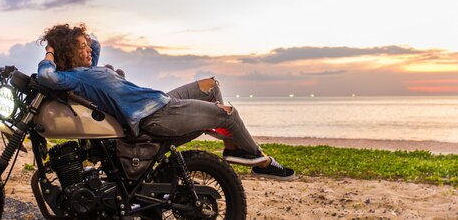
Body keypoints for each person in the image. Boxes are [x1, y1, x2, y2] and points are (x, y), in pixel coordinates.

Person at [37, 23, 295, 181]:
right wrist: (52, 50)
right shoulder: (73, 78)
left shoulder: (87, 68)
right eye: (81, 47)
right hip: (154, 115)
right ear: (70, 52)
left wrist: (75, 35)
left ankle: (231, 146)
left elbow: (96, 42)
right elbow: (46, 74)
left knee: (210, 86)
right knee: (226, 113)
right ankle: (259, 160)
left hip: (159, 101)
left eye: (85, 45)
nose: (88, 50)